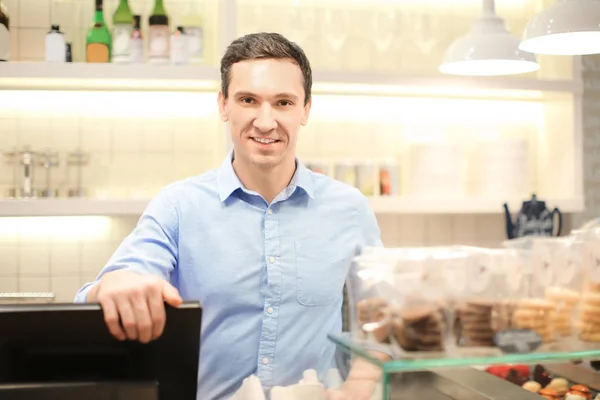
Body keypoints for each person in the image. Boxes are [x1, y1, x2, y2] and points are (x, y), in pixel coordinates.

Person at [74, 32, 384, 400]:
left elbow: (381, 320)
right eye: (248, 100)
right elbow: (106, 290)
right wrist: (115, 284)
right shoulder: (178, 205)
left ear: (305, 110)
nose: (265, 122)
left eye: (283, 102)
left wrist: (357, 390)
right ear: (223, 105)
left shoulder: (350, 208)